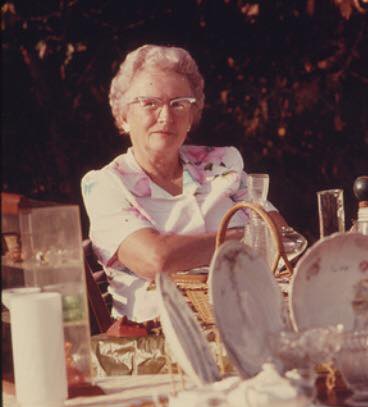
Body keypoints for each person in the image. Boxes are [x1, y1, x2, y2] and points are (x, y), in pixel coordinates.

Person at [81, 44, 286, 322]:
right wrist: (248, 238)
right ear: (124, 116)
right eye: (149, 103)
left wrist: (190, 251)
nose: (166, 116)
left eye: (179, 104)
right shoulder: (106, 185)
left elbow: (283, 237)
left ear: (192, 117)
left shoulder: (223, 164)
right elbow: (157, 260)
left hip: (248, 321)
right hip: (159, 337)